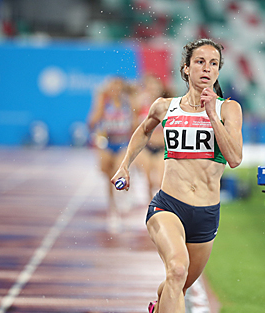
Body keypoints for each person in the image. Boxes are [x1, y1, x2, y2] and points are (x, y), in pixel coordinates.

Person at [111, 38, 243, 313]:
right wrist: (125, 164)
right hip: (168, 206)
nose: (207, 68)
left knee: (176, 285)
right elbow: (144, 130)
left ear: (218, 71)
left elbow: (234, 158)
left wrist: (211, 114)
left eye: (213, 63)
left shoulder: (228, 109)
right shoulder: (165, 106)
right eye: (200, 62)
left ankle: (157, 308)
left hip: (206, 214)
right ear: (186, 69)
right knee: (177, 269)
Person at [87, 77, 134, 232]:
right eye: (112, 87)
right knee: (108, 176)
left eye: (118, 87)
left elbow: (135, 124)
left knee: (118, 171)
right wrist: (99, 101)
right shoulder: (103, 103)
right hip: (107, 142)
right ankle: (112, 207)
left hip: (123, 143)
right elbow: (91, 123)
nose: (116, 90)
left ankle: (123, 198)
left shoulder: (129, 101)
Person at [131, 74, 170, 200]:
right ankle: (150, 207)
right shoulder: (140, 106)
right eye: (150, 87)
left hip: (162, 147)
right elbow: (135, 129)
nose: (153, 89)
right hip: (146, 147)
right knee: (148, 181)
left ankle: (161, 204)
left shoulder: (168, 105)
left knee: (160, 181)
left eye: (155, 86)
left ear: (160, 88)